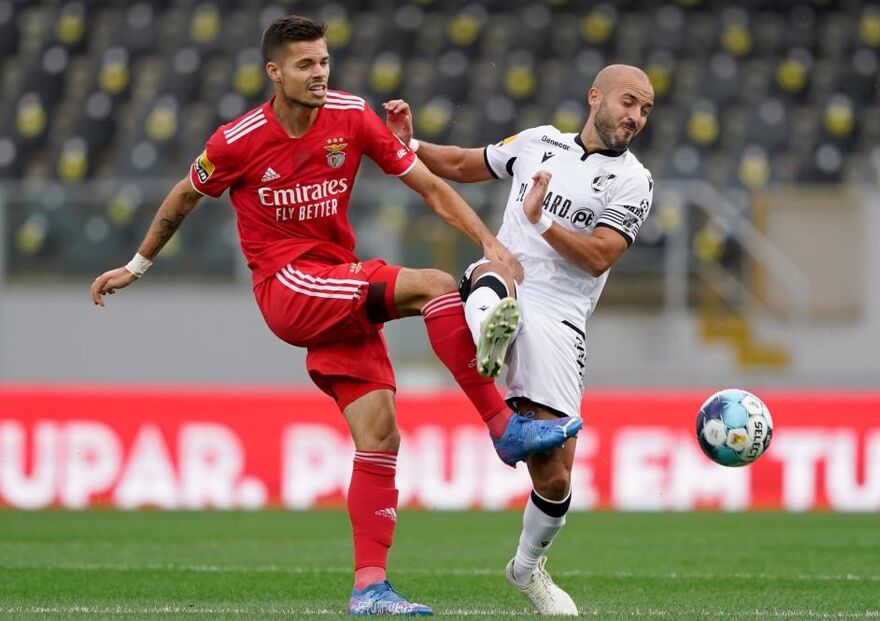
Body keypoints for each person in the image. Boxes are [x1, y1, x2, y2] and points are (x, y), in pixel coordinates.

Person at [89, 16, 581, 617]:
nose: (319, 74)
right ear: (275, 72)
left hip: (337, 281)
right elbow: (184, 196)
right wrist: (136, 266)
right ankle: (504, 427)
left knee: (380, 435)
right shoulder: (236, 140)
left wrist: (490, 244)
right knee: (431, 286)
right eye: (305, 65)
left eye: (323, 62)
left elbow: (427, 185)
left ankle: (369, 588)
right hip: (289, 287)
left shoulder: (351, 116)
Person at [383, 64, 655, 615]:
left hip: (562, 315)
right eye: (629, 102)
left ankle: (527, 568)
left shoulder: (634, 180)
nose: (636, 117)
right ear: (595, 96)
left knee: (554, 475)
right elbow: (463, 163)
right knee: (497, 267)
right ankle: (491, 329)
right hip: (508, 276)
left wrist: (542, 221)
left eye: (646, 110)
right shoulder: (538, 142)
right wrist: (408, 144)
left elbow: (602, 254)